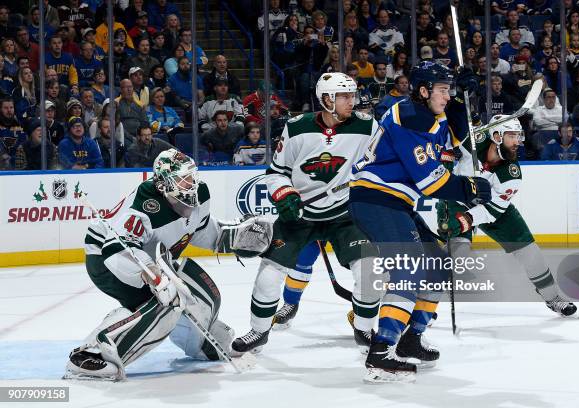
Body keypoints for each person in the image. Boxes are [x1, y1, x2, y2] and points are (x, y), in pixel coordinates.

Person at [64, 148, 272, 380]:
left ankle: (201, 343)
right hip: (107, 260)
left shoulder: (200, 193)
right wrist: (152, 275)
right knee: (166, 303)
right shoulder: (144, 204)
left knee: (201, 295)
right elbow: (118, 250)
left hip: (154, 258)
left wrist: (231, 237)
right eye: (183, 180)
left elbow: (198, 228)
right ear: (164, 184)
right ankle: (90, 353)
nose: (191, 184)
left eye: (192, 176)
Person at [349, 61, 492, 382]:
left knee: (439, 266)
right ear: (423, 91)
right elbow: (432, 184)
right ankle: (381, 351)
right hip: (375, 198)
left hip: (397, 202)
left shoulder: (429, 114)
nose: (447, 95)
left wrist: (465, 98)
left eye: (449, 89)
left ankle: (412, 337)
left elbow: (456, 135)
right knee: (410, 266)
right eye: (442, 90)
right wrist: (472, 187)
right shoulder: (410, 117)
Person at [231, 73, 382, 358]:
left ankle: (364, 329)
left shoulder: (366, 126)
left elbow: (387, 153)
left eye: (353, 95)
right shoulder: (296, 128)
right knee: (269, 273)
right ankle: (259, 330)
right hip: (300, 216)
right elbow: (276, 174)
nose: (353, 101)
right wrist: (285, 196)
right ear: (327, 100)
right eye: (345, 96)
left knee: (369, 269)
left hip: (344, 214)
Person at [437, 115, 577, 322]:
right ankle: (421, 308)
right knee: (456, 256)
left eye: (519, 136)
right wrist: (449, 153)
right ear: (496, 136)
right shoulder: (474, 139)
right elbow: (443, 138)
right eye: (512, 136)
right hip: (457, 197)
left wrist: (466, 219)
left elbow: (492, 210)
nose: (517, 142)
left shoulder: (512, 175)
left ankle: (552, 297)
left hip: (490, 207)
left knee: (531, 253)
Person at [116, 78, 149, 144]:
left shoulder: (140, 105)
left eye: (130, 87)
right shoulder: (116, 103)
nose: (129, 89)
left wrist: (142, 136)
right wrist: (131, 138)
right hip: (123, 136)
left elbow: (145, 123)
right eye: (126, 87)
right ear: (121, 89)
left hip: (140, 136)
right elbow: (117, 125)